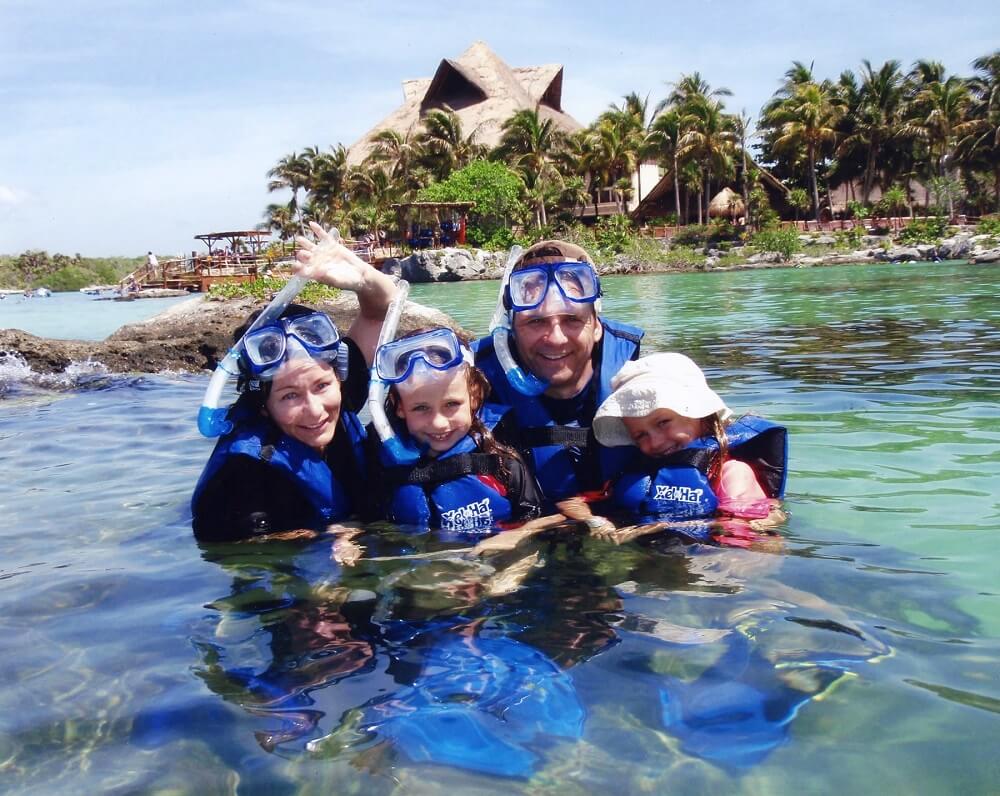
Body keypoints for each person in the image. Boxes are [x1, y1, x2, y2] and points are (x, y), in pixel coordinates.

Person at [191, 223, 398, 542]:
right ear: (262, 405)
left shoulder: (340, 391)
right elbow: (241, 545)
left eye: (321, 386)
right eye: (289, 397)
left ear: (339, 376)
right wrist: (334, 537)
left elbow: (381, 309)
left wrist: (362, 277)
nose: (315, 410)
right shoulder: (244, 480)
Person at [473, 241, 644, 518]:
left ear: (597, 326)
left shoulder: (643, 380)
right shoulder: (475, 385)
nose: (555, 338)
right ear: (511, 330)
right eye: (535, 322)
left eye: (572, 320)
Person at [591, 352, 787, 543]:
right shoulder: (636, 471)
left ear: (702, 416)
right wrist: (597, 523)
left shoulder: (731, 474)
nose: (656, 442)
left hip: (718, 563)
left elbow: (744, 535)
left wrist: (661, 526)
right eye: (640, 435)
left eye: (663, 422)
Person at [367, 326, 543, 536]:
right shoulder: (382, 467)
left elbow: (535, 521)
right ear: (399, 407)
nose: (439, 423)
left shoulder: (503, 464)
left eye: (451, 404)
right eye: (421, 408)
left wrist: (513, 546)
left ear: (474, 397)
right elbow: (365, 524)